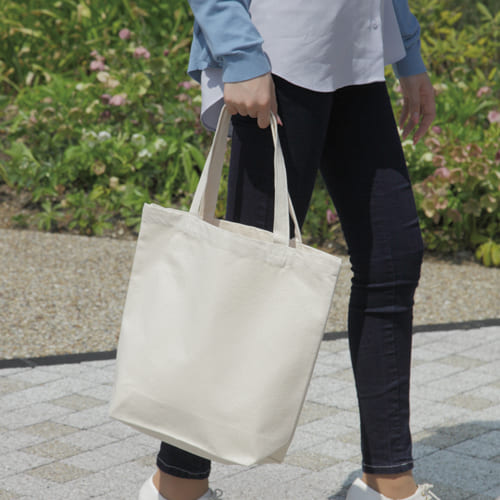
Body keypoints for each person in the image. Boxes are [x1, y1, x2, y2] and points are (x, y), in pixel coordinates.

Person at [139, 1, 438, 499]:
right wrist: (239, 54)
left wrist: (407, 51)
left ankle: (388, 482)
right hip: (276, 58)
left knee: (393, 257)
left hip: (357, 54)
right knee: (244, 274)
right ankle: (176, 485)